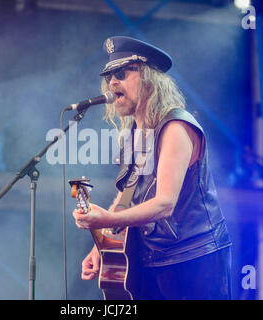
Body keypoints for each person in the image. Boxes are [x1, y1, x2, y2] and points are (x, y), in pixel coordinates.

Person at [72, 36, 232, 300]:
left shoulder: (175, 128)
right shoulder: (137, 131)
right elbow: (129, 196)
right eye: (110, 75)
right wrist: (104, 245)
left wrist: (107, 220)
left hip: (194, 257)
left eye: (121, 74)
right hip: (153, 259)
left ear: (148, 78)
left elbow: (164, 204)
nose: (112, 83)